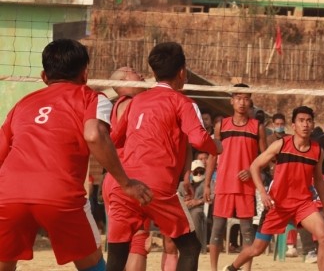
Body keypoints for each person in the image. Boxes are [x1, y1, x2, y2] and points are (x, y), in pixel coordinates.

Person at [0, 39, 152, 270]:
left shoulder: (23, 104)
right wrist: (126, 183)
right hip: (58, 194)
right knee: (92, 265)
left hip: (8, 194)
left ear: (43, 76)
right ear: (85, 73)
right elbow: (94, 135)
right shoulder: (91, 98)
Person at [106, 42, 221, 271]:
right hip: (156, 186)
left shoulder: (136, 101)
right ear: (182, 72)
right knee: (189, 247)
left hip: (124, 185)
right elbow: (198, 140)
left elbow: (114, 138)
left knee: (118, 252)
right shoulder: (183, 102)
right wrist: (216, 146)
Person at [223, 106, 324, 271]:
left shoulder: (317, 151)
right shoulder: (281, 145)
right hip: (277, 205)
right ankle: (231, 268)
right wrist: (263, 192)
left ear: (313, 124)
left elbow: (318, 180)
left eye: (309, 121)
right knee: (257, 249)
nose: (305, 125)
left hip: (303, 204)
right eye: (301, 121)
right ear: (293, 125)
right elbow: (254, 166)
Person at [204, 83, 267, 271]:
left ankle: (245, 269)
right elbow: (212, 156)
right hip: (224, 184)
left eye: (246, 98)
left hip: (246, 186)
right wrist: (207, 184)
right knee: (216, 230)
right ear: (232, 101)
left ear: (250, 102)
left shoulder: (257, 127)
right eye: (238, 98)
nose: (242, 102)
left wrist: (251, 169)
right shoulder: (221, 125)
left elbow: (265, 157)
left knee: (247, 231)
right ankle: (213, 269)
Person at [104, 66, 152, 271]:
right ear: (124, 81)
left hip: (120, 179)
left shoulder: (118, 105)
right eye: (133, 71)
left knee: (132, 241)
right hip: (128, 180)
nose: (140, 74)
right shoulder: (132, 103)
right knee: (132, 244)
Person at [181, 159, 209, 253]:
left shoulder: (208, 183)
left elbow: (213, 197)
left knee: (195, 214)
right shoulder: (183, 184)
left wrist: (200, 201)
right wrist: (184, 203)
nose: (199, 174)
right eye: (196, 172)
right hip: (184, 208)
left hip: (200, 208)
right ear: (192, 172)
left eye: (201, 171)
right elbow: (177, 197)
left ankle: (198, 245)